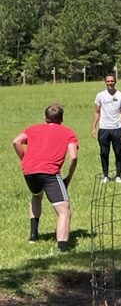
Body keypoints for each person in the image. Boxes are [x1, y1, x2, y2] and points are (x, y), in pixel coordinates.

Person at [12, 104, 79, 252]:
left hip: (29, 171)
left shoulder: (33, 129)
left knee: (36, 196)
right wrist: (68, 177)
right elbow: (73, 157)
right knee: (64, 210)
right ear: (61, 118)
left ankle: (33, 236)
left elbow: (16, 141)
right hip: (50, 173)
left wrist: (24, 159)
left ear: (45, 117)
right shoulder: (68, 133)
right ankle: (63, 248)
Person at [92, 73, 121, 183]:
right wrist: (94, 128)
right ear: (105, 82)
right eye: (108, 81)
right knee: (104, 153)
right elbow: (97, 112)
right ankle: (106, 176)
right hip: (104, 128)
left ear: (115, 81)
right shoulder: (100, 95)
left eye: (112, 81)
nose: (110, 83)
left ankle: (118, 176)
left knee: (118, 152)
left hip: (117, 128)